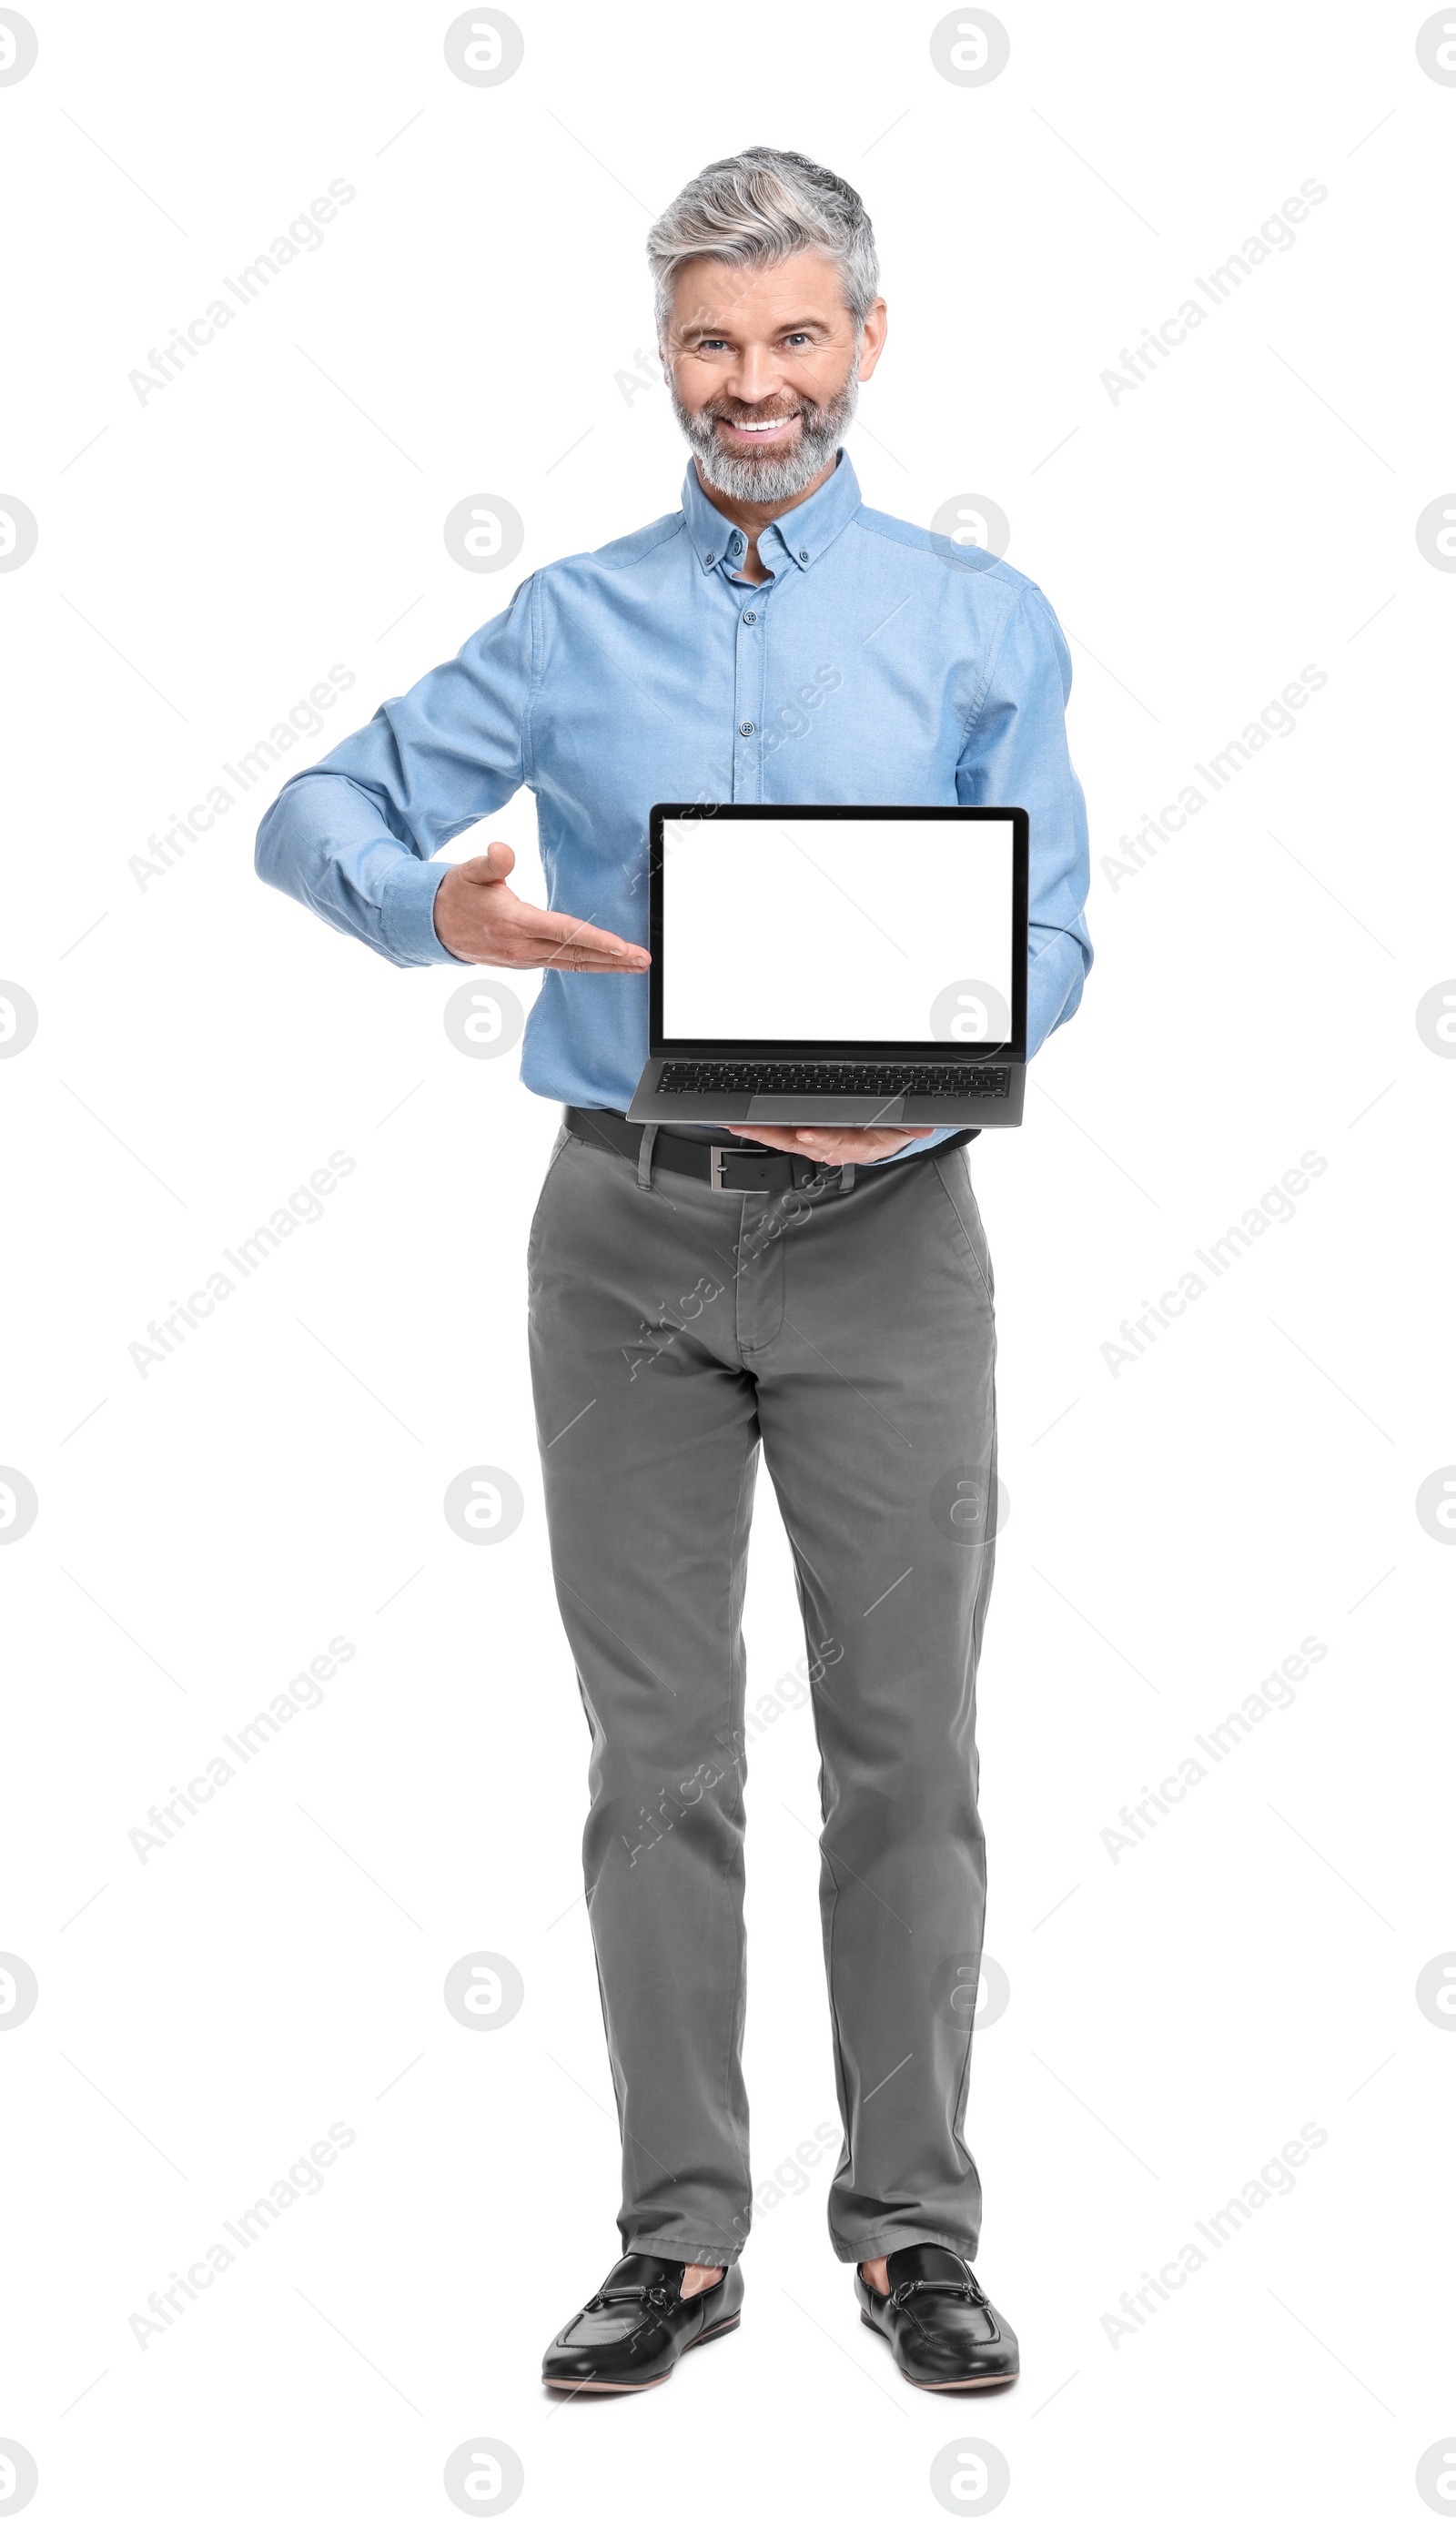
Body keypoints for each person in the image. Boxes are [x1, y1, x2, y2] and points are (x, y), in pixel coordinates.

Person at [256, 144, 1092, 2395]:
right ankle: (679, 2241)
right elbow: (308, 811)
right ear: (666, 359)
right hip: (616, 1241)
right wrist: (444, 912)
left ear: (865, 347)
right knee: (657, 1760)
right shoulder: (565, 622)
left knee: (905, 1746)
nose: (753, 386)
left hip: (891, 1246)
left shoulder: (971, 624)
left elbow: (1052, 935)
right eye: (712, 344)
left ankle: (912, 2230)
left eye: (793, 337)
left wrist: (917, 1097)